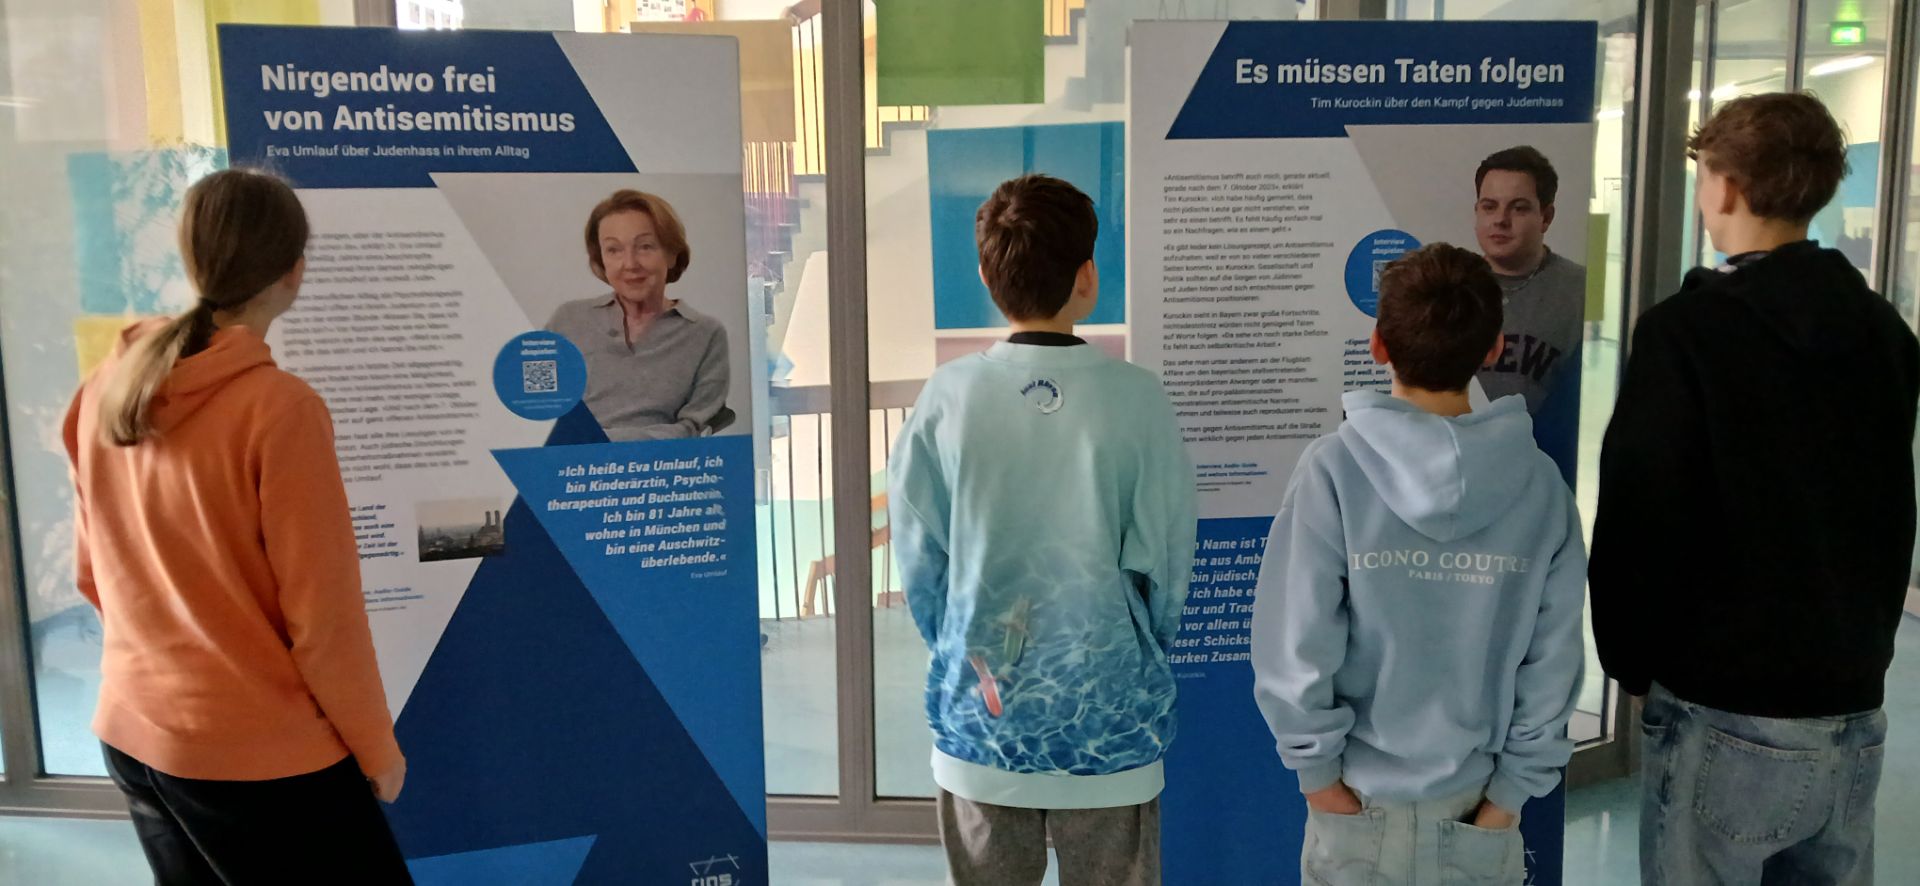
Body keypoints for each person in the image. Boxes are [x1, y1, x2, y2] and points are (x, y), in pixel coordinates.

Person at [1591, 92, 1919, 886]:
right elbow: (1883, 509)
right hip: (1852, 708)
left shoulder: (1687, 332)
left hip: (1722, 705)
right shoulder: (1885, 331)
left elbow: (1642, 515)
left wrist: (1630, 662)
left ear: (1728, 187)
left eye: (1705, 176)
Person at [64, 169, 411, 883]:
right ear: (294, 270)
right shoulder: (280, 409)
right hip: (254, 759)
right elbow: (325, 619)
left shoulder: (107, 385)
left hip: (133, 731)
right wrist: (377, 748)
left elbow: (92, 572)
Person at [888, 174, 1196, 886]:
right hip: (1111, 724)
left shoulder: (948, 396)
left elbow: (920, 563)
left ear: (985, 276)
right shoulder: (1138, 398)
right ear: (1088, 277)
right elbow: (1167, 564)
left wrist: (965, 647)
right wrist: (1136, 653)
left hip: (981, 721)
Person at [1252, 243, 1586, 885]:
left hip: (1356, 808)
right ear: (1495, 349)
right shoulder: (1541, 486)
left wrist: (1318, 779)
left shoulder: (1333, 470)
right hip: (1478, 812)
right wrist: (1509, 798)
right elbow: (1555, 659)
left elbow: (1295, 642)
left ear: (1378, 345)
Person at [546, 189, 731, 441]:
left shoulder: (706, 333)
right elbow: (540, 416)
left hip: (664, 462)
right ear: (601, 259)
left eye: (645, 247)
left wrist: (603, 442)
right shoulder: (568, 319)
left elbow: (692, 429)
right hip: (574, 462)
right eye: (614, 250)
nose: (630, 264)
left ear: (671, 254)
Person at [1472, 146, 1588, 482]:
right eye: (1489, 206)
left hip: (1548, 475)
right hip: (1462, 473)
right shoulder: (1448, 286)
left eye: (1519, 208)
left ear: (1546, 217)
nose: (1500, 220)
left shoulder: (1582, 290)